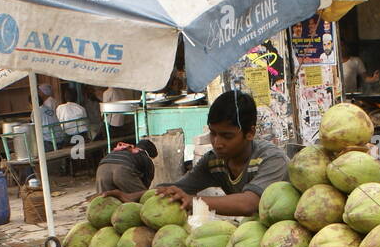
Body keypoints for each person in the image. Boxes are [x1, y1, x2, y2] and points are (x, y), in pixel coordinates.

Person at [98, 91, 287, 218]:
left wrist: (194, 202)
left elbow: (250, 203)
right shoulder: (214, 161)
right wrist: (134, 196)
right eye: (213, 133)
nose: (217, 143)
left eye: (227, 136)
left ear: (250, 133)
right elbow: (178, 188)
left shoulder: (271, 159)